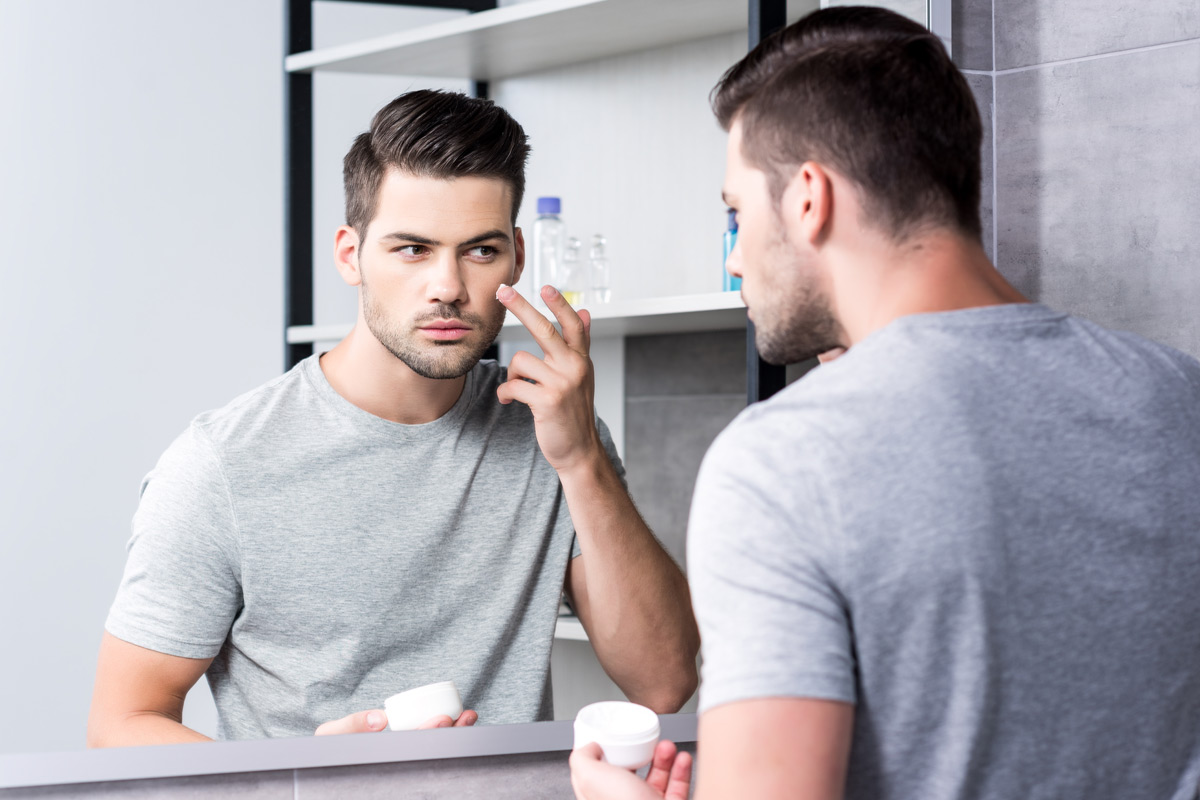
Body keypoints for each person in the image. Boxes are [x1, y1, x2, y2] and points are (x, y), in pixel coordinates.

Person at [571, 7, 1200, 799]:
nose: (735, 260)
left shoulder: (788, 462)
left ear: (808, 198)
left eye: (737, 213)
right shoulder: (1178, 395)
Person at [88, 90, 699, 746]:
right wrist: (302, 787)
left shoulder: (555, 434)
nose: (447, 286)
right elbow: (122, 722)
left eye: (480, 251)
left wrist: (582, 460)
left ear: (517, 256)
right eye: (412, 249)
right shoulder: (223, 463)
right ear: (350, 254)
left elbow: (663, 682)